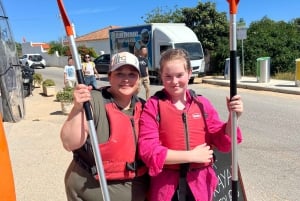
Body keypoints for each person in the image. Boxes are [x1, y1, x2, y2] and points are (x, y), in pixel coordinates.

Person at [138, 48, 243, 201]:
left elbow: (223, 142)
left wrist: (233, 118)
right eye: (168, 76)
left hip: (200, 185)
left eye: (179, 75)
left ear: (189, 73)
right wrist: (191, 156)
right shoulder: (153, 106)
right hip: (166, 187)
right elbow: (148, 151)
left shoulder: (202, 103)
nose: (174, 82)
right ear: (161, 76)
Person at [60, 51, 149, 201]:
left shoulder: (144, 107)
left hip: (137, 190)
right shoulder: (92, 101)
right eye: (119, 73)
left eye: (132, 74)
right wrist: (77, 108)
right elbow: (69, 143)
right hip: (92, 188)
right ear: (110, 76)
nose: (126, 79)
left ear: (139, 79)